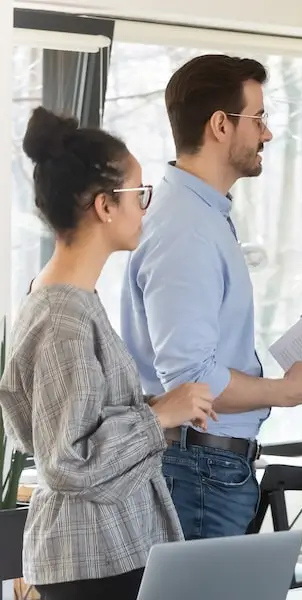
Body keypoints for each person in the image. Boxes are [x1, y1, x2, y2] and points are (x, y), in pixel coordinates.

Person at [0, 107, 217, 599]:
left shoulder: (71, 299)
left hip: (109, 551)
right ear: (104, 205)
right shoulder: (62, 318)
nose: (145, 207)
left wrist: (161, 410)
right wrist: (159, 414)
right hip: (91, 561)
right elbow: (66, 461)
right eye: (139, 194)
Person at [120, 54, 302, 540]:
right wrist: (286, 391)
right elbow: (192, 380)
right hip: (200, 472)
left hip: (207, 469)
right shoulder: (186, 230)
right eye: (258, 118)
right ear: (220, 125)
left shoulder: (202, 216)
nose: (267, 134)